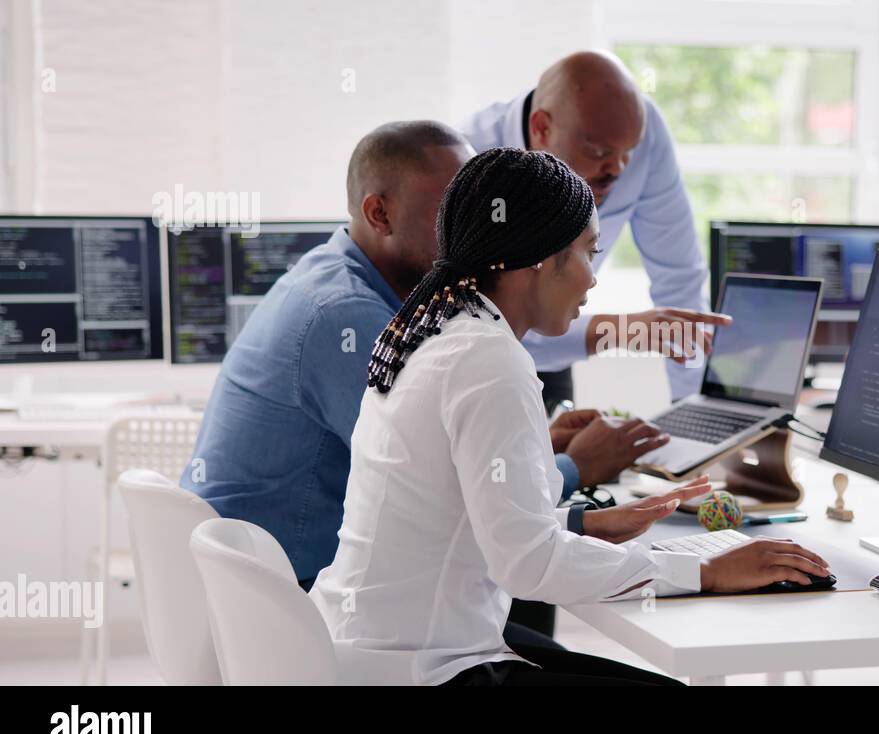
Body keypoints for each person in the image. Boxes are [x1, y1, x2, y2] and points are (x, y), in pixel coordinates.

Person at [310, 147, 830, 685]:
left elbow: (470, 519)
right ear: (538, 256)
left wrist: (578, 522)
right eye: (588, 251)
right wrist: (706, 571)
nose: (592, 278)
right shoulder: (488, 360)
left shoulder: (436, 331)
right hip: (421, 669)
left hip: (366, 645)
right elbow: (527, 564)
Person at [181, 121, 667, 604]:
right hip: (283, 596)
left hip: (280, 588)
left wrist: (535, 446)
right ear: (379, 213)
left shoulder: (374, 300)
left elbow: (433, 456)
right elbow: (450, 483)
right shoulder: (347, 316)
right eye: (452, 205)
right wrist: (576, 465)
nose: (478, 223)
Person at [461, 50, 729, 411]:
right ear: (542, 128)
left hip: (555, 351)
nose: (618, 169)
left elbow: (680, 279)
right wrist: (619, 330)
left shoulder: (639, 135)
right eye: (600, 151)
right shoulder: (470, 163)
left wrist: (692, 408)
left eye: (628, 152)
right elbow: (475, 321)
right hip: (476, 366)